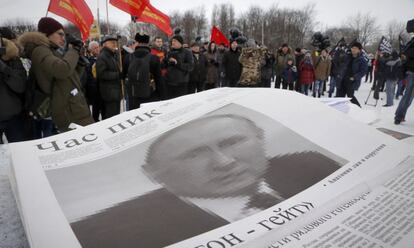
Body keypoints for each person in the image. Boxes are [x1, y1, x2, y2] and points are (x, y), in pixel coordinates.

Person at [70, 113, 342, 248]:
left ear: (260, 138)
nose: (224, 162)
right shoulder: (103, 235)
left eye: (233, 142)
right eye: (195, 154)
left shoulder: (311, 164)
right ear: (152, 173)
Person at [18, 17, 93, 132]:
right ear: (47, 34)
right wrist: (73, 51)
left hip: (74, 106)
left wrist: (79, 63)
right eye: (60, 34)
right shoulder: (40, 50)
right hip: (68, 110)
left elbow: (71, 77)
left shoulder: (53, 51)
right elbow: (62, 70)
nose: (63, 39)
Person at [0, 28, 27, 143]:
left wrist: (4, 68)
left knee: (20, 153)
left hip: (13, 117)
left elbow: (20, 86)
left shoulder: (14, 59)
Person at [123, 33, 162, 109]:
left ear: (137, 42)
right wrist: (161, 96)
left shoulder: (128, 57)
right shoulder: (154, 58)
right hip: (150, 96)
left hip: (133, 96)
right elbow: (159, 80)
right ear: (147, 43)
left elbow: (123, 76)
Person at [96, 35, 122, 119]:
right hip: (109, 94)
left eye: (115, 42)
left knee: (115, 116)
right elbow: (102, 74)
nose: (115, 44)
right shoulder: (103, 56)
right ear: (105, 44)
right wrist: (118, 75)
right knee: (111, 117)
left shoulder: (112, 55)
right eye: (112, 43)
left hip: (114, 93)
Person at [336, 42, 368, 107]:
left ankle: (359, 109)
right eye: (352, 48)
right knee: (338, 97)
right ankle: (338, 111)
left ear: (359, 50)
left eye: (355, 48)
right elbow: (337, 61)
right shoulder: (346, 56)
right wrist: (339, 50)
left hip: (351, 81)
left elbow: (363, 71)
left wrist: (354, 77)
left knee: (350, 96)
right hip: (342, 80)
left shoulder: (362, 60)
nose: (353, 49)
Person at [395, 19, 414, 125]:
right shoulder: (411, 42)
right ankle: (399, 116)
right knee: (408, 96)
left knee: (409, 96)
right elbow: (406, 54)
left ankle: (399, 115)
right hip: (412, 72)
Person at [164, 33, 194, 99]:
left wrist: (177, 63)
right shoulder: (169, 52)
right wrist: (167, 61)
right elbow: (165, 65)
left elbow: (190, 66)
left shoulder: (187, 52)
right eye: (172, 41)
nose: (173, 42)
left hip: (181, 83)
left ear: (180, 43)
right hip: (169, 82)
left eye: (175, 41)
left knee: (180, 104)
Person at [85, 41, 102, 121]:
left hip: (103, 89)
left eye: (98, 47)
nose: (97, 49)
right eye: (95, 48)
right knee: (95, 112)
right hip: (94, 91)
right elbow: (88, 77)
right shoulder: (88, 61)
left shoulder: (102, 58)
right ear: (91, 50)